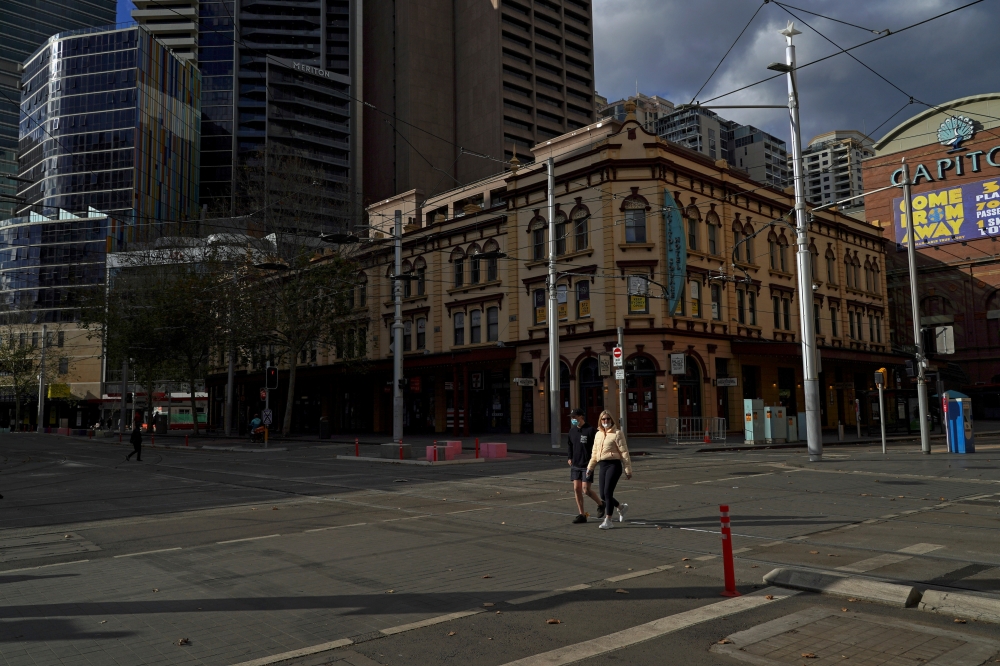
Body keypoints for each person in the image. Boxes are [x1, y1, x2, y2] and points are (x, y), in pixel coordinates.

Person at [587, 410, 632, 529]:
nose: (606, 421)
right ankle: (621, 508)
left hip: (614, 465)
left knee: (608, 492)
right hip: (603, 465)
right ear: (600, 421)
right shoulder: (598, 434)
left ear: (611, 420)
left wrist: (628, 469)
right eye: (603, 419)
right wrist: (590, 468)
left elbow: (624, 452)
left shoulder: (617, 433)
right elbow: (595, 453)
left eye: (608, 419)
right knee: (603, 494)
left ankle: (609, 520)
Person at [567, 408, 604, 523]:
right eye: (572, 417)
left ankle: (601, 504)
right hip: (575, 464)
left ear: (581, 417)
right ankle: (581, 514)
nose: (573, 419)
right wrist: (569, 457)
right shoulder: (572, 431)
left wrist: (596, 459)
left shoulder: (590, 430)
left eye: (575, 417)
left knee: (586, 490)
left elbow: (597, 446)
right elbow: (570, 445)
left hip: (587, 465)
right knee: (576, 489)